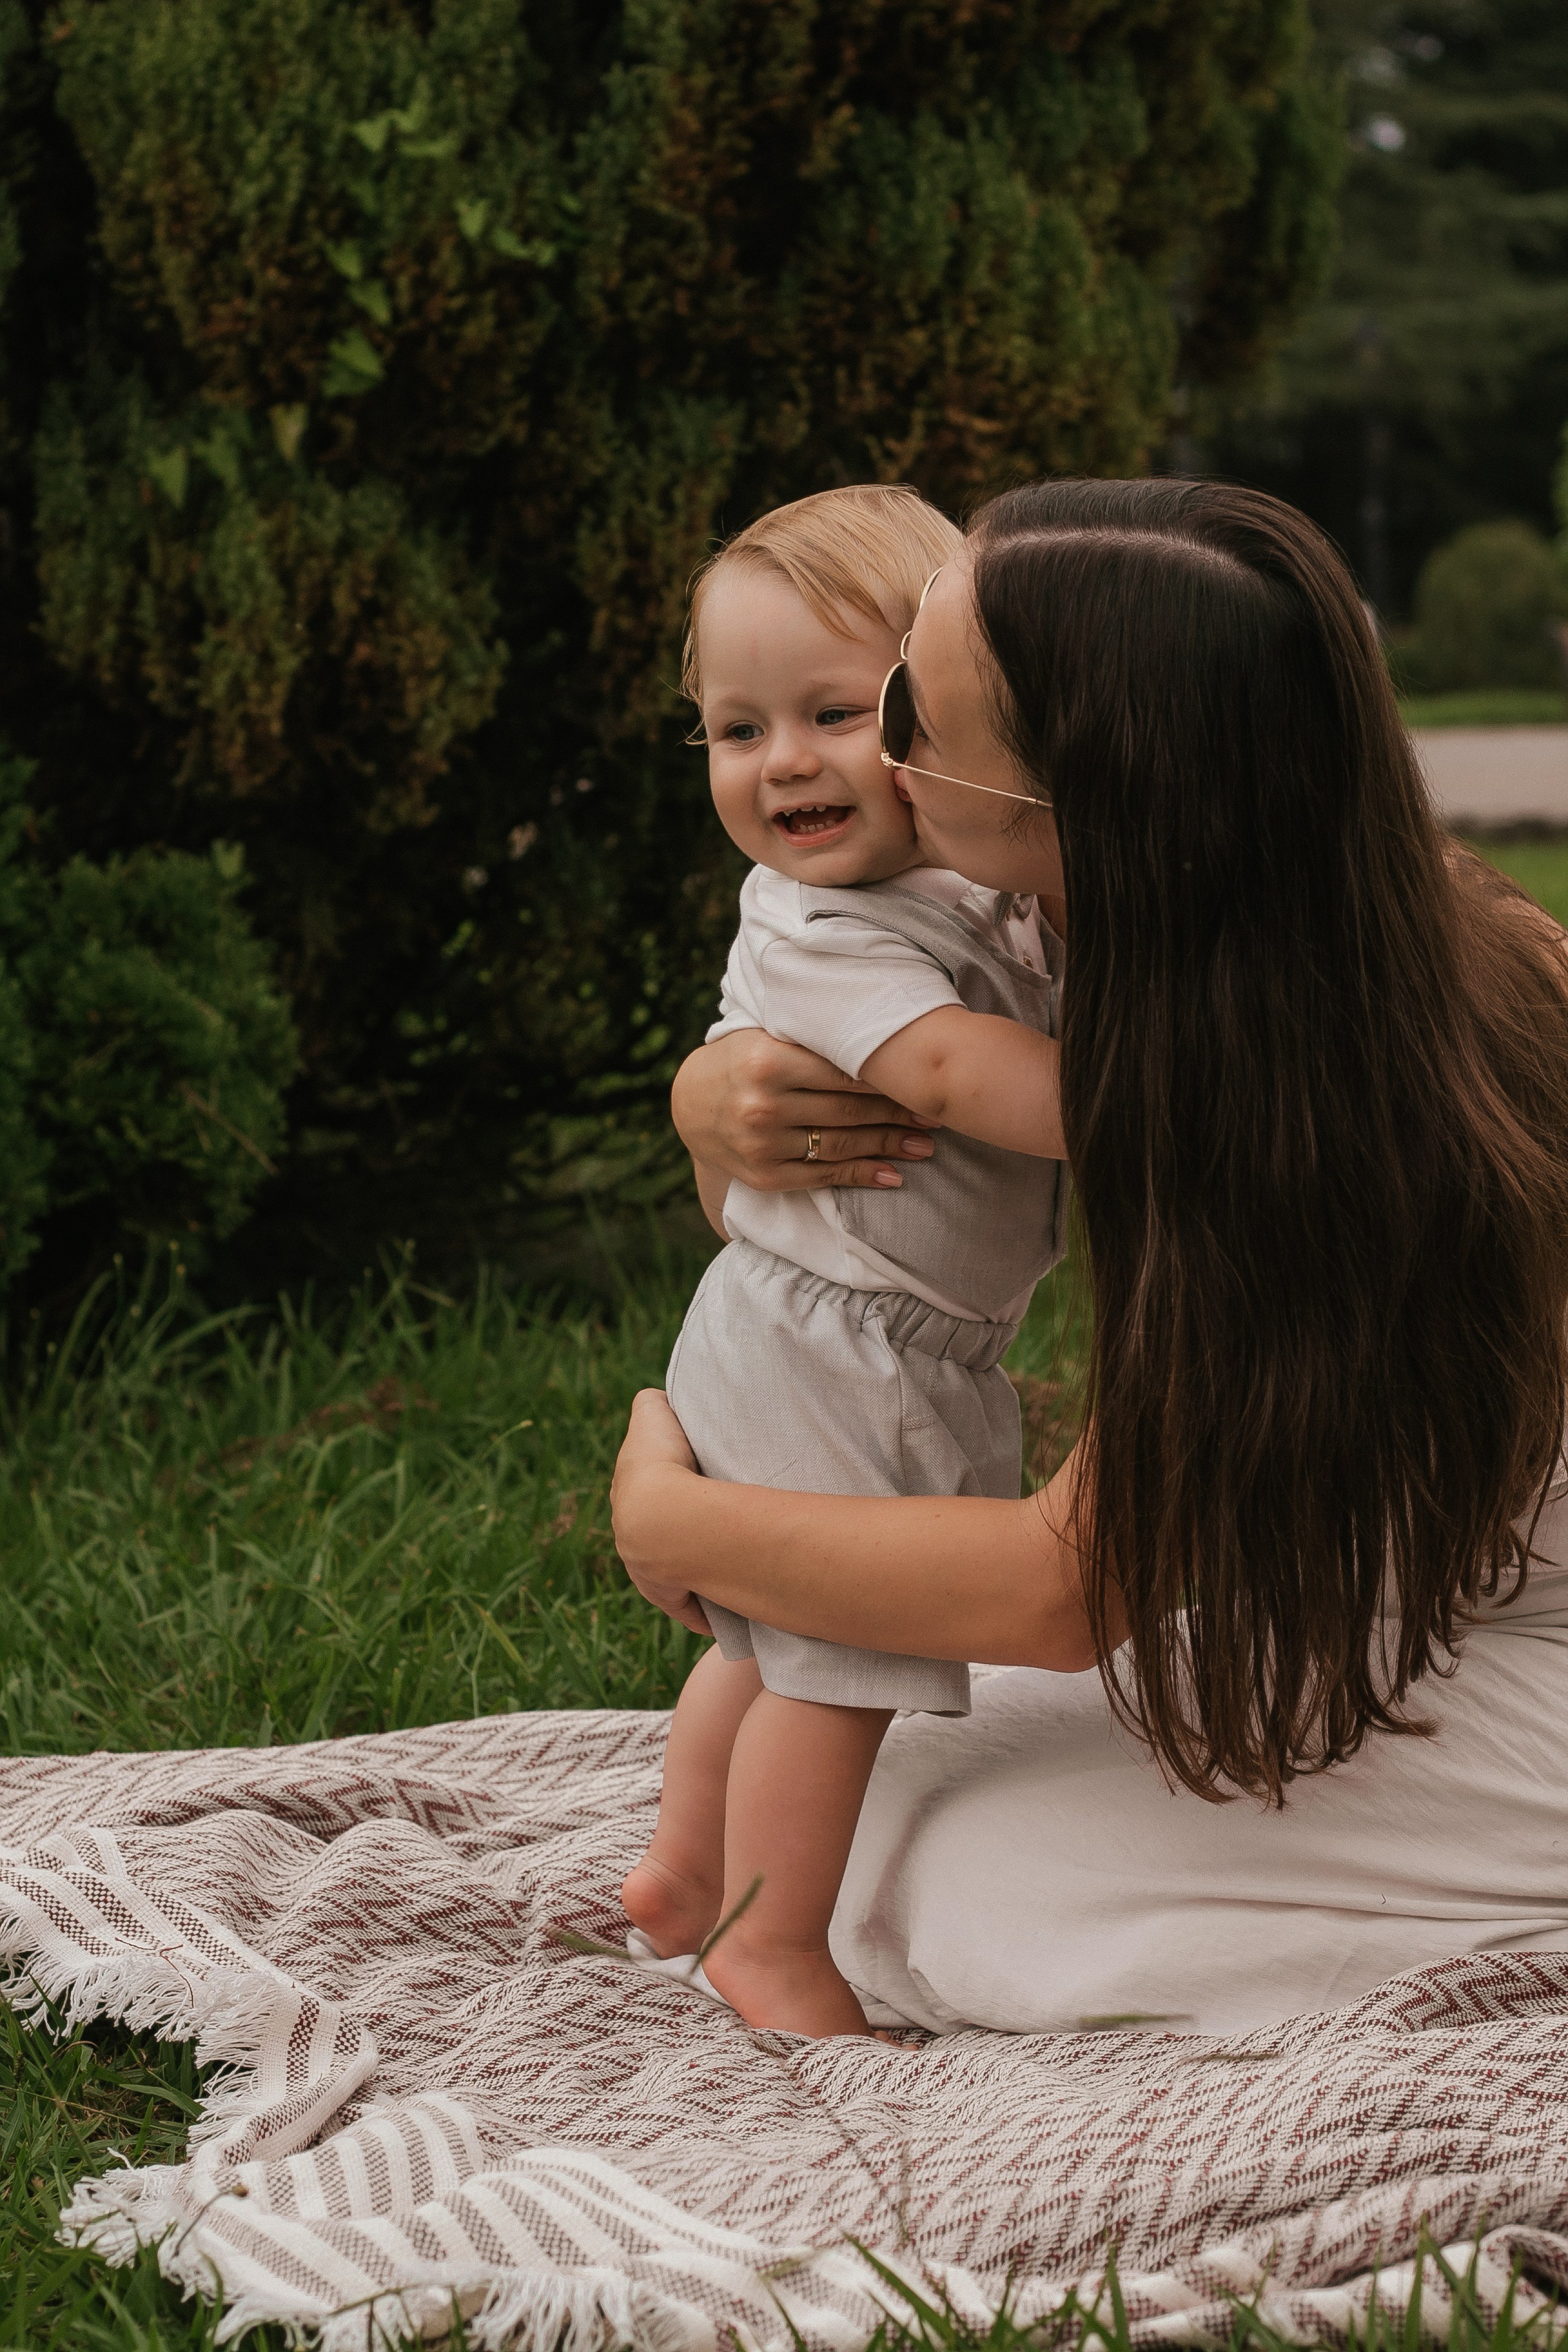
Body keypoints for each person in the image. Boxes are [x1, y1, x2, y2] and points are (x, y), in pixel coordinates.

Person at [612, 478, 1568, 2037]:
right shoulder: (1234, 933)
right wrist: (716, 1095)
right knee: (882, 1765)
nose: (860, 747)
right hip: (1400, 1569)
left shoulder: (1292, 1099)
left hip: (1517, 1632)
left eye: (908, 709)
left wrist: (680, 1516)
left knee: (947, 1883)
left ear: (1075, 799)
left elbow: (1070, 1591)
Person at [622, 484, 1071, 2038]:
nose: (784, 763)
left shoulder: (956, 886)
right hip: (836, 1334)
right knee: (842, 1659)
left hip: (861, 1327)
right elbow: (949, 1077)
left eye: (831, 711)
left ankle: (685, 1873)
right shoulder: (822, 923)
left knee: (773, 1634)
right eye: (736, 731)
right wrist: (1155, 1102)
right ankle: (772, 1946)